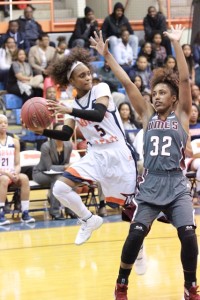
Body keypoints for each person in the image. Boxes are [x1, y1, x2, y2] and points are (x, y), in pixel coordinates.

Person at [90, 25, 200, 299]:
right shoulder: (146, 116)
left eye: (162, 92)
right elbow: (128, 83)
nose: (156, 95)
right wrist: (108, 57)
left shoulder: (182, 116)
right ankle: (121, 283)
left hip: (176, 185)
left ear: (174, 98)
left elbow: (185, 81)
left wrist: (176, 43)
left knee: (188, 236)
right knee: (135, 235)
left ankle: (190, 287)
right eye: (154, 92)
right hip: (150, 184)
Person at [29, 47, 137, 247]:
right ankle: (89, 219)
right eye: (82, 75)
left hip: (118, 152)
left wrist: (69, 109)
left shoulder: (101, 88)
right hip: (95, 153)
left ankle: (138, 249)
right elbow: (65, 135)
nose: (88, 77)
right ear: (72, 82)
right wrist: (42, 131)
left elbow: (97, 114)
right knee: (60, 188)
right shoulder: (72, 105)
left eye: (88, 73)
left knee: (129, 209)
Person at [32, 123, 73, 219]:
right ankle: (54, 211)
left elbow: (65, 164)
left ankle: (70, 209)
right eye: (58, 130)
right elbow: (49, 167)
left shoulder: (68, 145)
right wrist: (65, 167)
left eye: (63, 131)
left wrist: (66, 168)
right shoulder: (46, 146)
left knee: (70, 179)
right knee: (58, 179)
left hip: (58, 174)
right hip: (41, 173)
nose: (61, 133)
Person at [0, 114, 35, 226]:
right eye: (0, 123)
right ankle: (1, 214)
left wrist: (15, 172)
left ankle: (25, 213)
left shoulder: (14, 142)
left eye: (5, 122)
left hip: (10, 173)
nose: (3, 125)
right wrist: (7, 173)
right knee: (4, 179)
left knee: (24, 178)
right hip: (2, 174)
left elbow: (17, 163)